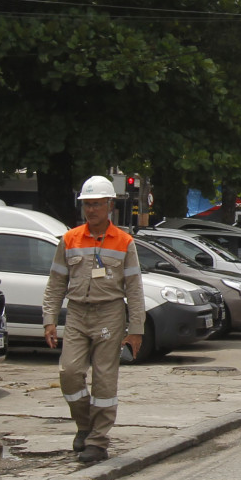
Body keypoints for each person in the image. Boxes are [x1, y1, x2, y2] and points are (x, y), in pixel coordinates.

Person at [43, 177, 146, 464]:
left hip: (110, 314)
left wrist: (135, 329)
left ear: (110, 206)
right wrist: (49, 319)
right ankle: (84, 425)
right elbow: (55, 283)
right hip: (77, 313)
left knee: (104, 380)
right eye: (87, 205)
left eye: (97, 204)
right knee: (70, 373)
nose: (91, 210)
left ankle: (98, 441)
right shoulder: (69, 239)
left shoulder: (125, 242)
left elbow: (134, 290)